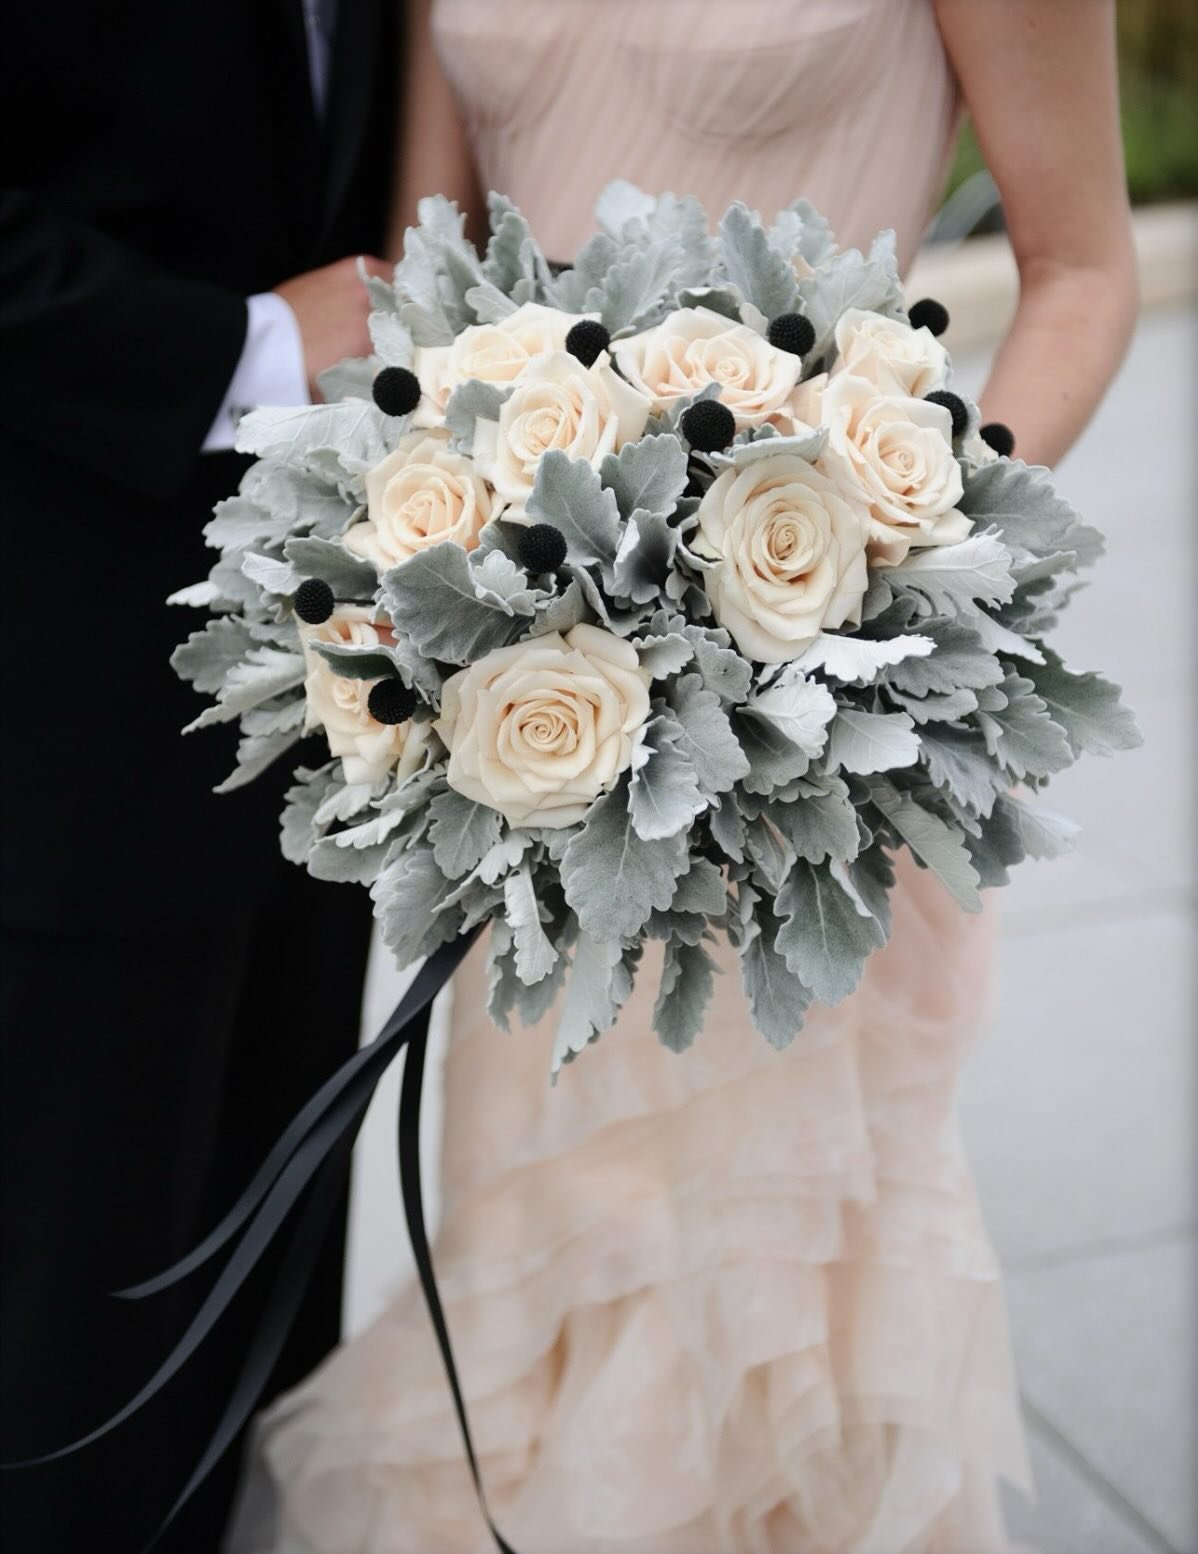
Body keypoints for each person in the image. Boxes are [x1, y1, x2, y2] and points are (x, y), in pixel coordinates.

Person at [229, 1, 1138, 1550]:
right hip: (527, 707)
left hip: (802, 690)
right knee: (543, 1265)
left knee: (763, 1319)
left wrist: (887, 567)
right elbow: (430, 278)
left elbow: (1081, 267)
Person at [0, 4, 400, 1550]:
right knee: (65, 1359)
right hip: (58, 703)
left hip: (323, 697)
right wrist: (249, 350)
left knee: (251, 1322)